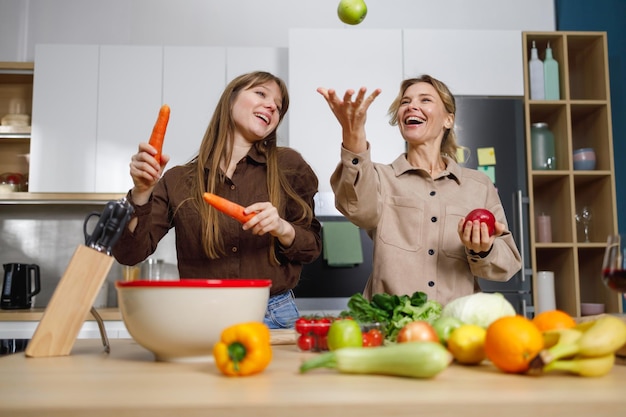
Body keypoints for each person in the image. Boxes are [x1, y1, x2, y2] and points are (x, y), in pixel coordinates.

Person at [113, 71, 322, 329]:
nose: (272, 106)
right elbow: (129, 253)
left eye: (278, 107)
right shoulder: (178, 180)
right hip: (200, 316)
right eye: (260, 93)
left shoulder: (289, 167)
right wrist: (141, 191)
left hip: (273, 315)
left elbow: (312, 247)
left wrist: (282, 228)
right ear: (231, 100)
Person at [317, 74, 521, 306]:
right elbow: (358, 211)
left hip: (453, 329)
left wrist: (483, 250)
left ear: (448, 119)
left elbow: (508, 266)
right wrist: (353, 137)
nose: (412, 105)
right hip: (391, 326)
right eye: (405, 102)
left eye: (425, 100)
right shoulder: (380, 178)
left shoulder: (478, 186)